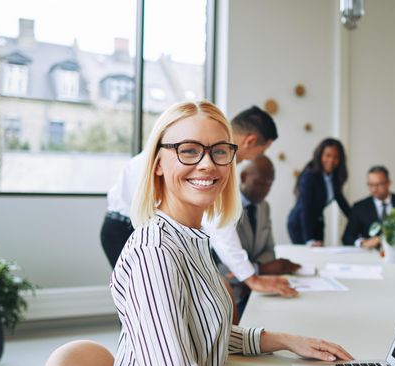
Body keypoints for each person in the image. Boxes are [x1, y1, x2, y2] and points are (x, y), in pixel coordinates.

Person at [98, 100, 395, 366]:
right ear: (157, 164)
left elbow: (200, 332)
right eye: (188, 151)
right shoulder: (155, 255)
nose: (207, 164)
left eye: (219, 152)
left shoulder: (188, 238)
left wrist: (284, 340)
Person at [100, 106, 297, 298]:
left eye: (218, 151)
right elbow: (219, 227)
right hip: (124, 227)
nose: (206, 164)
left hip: (157, 228)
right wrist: (251, 278)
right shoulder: (151, 246)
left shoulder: (219, 161)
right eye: (262, 151)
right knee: (143, 300)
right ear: (250, 141)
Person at [218, 155, 300, 321]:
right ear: (243, 177)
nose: (265, 189)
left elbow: (269, 250)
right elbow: (221, 266)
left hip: (261, 291)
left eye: (270, 184)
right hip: (231, 297)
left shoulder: (264, 207)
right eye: (261, 183)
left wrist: (260, 268)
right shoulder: (224, 207)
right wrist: (260, 270)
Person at [286, 138, 352, 246]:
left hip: (318, 222)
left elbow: (342, 203)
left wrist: (359, 221)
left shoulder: (333, 178)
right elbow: (305, 208)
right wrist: (309, 239)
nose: (331, 160)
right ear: (320, 155)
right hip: (300, 223)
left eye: (336, 157)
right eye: (328, 155)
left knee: (320, 256)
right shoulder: (309, 176)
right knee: (308, 257)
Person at [342, 165, 395, 248]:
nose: (374, 189)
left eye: (379, 184)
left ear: (389, 183)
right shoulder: (359, 207)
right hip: (370, 254)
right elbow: (347, 237)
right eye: (370, 185)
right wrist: (363, 243)